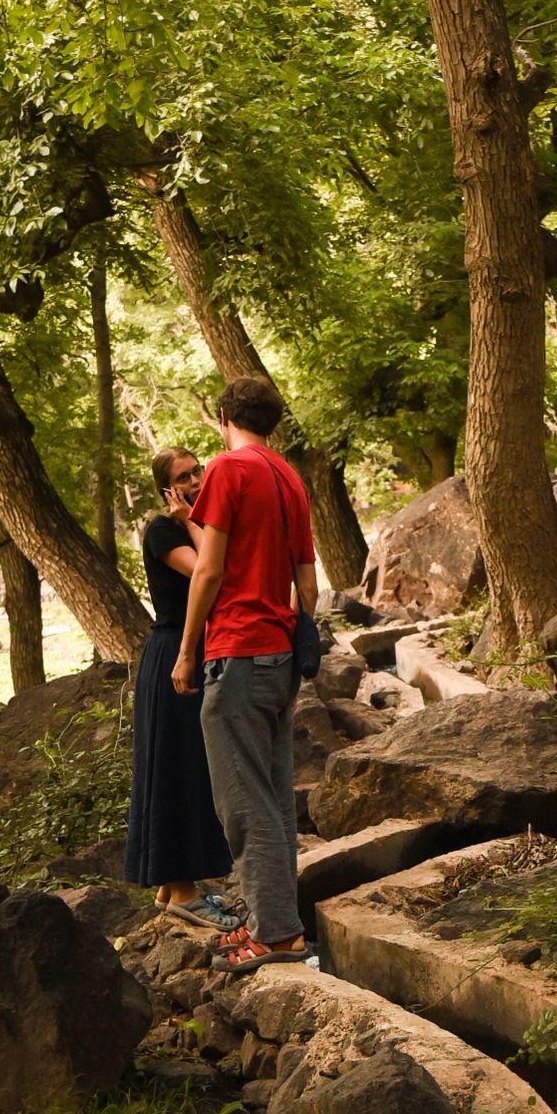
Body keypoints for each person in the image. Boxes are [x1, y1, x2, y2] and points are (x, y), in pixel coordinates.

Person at [172, 377, 316, 975]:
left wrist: (187, 652)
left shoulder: (230, 469)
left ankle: (275, 934)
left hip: (236, 650)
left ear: (224, 415)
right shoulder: (289, 476)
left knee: (243, 803)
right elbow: (307, 582)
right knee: (276, 800)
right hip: (280, 653)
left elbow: (207, 571)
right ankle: (282, 926)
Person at [123, 447, 239, 931]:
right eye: (184, 477)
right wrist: (191, 518)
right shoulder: (163, 529)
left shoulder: (204, 522)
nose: (196, 480)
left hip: (194, 648)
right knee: (177, 768)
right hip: (173, 651)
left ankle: (172, 886)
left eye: (199, 471)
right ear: (167, 490)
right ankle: (185, 893)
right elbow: (205, 571)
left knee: (190, 765)